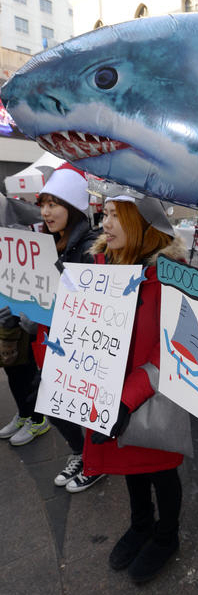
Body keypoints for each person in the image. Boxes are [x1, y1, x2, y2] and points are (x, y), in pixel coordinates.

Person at [82, 190, 188, 583]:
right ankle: (141, 524)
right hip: (112, 396)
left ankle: (167, 535)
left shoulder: (172, 278)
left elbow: (173, 350)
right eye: (104, 214)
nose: (105, 224)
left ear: (142, 224)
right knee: (129, 464)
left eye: (115, 215)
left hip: (153, 398)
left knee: (160, 468)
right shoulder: (98, 270)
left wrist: (126, 400)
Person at [35, 163, 101, 491]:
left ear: (73, 208)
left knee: (84, 405)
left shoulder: (91, 246)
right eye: (43, 204)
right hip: (49, 339)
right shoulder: (44, 243)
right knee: (54, 404)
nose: (46, 212)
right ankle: (80, 452)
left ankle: (95, 461)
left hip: (81, 345)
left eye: (54, 204)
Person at [0, 308, 50, 445]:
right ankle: (24, 414)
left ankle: (37, 420)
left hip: (33, 304)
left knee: (29, 368)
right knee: (11, 365)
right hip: (9, 302)